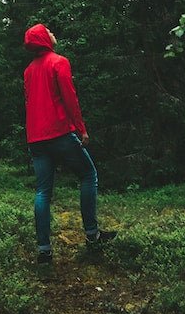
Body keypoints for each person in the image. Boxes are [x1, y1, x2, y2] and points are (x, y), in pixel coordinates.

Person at [23, 23, 117, 264]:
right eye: (49, 31)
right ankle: (92, 235)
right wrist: (81, 128)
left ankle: (44, 251)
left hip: (36, 138)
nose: (53, 33)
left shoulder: (29, 71)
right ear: (44, 39)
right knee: (88, 175)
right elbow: (70, 97)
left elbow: (29, 102)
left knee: (43, 191)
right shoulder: (59, 62)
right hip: (59, 133)